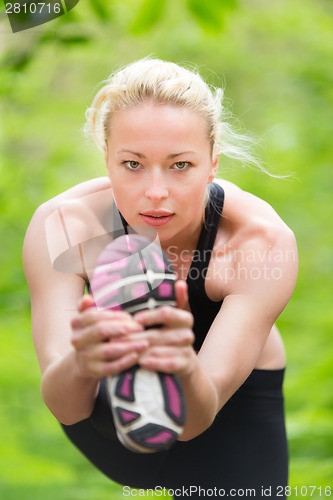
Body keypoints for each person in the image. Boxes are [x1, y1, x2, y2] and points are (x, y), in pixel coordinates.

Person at [23, 58, 298, 498]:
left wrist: (182, 364)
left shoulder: (258, 243)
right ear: (107, 160)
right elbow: (65, 405)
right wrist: (82, 361)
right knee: (86, 391)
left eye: (180, 165)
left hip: (228, 410)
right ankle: (128, 363)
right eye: (132, 164)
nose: (156, 191)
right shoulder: (64, 228)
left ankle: (157, 364)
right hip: (103, 412)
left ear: (212, 164)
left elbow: (194, 422)